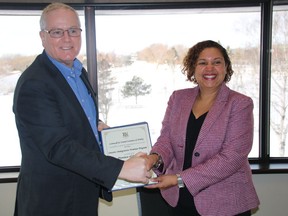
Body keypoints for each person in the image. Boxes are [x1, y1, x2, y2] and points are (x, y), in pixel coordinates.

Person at [12, 2, 151, 216]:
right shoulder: (35, 83)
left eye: (73, 31)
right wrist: (121, 169)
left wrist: (98, 128)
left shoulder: (77, 71)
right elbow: (57, 147)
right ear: (43, 36)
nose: (67, 39)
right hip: (52, 202)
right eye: (57, 32)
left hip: (82, 192)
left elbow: (73, 117)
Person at [144, 40, 260, 216]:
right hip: (179, 201)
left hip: (225, 204)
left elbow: (232, 158)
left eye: (217, 62)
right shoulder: (178, 98)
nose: (210, 68)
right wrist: (154, 158)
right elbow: (166, 139)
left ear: (226, 67)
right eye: (203, 63)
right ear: (193, 68)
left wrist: (179, 179)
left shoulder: (240, 103)